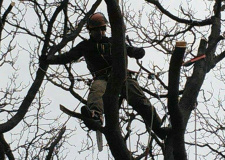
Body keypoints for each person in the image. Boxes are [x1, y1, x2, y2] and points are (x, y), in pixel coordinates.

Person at [45, 12, 168, 140]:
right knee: (97, 91)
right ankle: (96, 116)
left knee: (140, 101)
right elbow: (67, 57)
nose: (100, 33)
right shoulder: (86, 46)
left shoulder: (114, 41)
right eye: (97, 30)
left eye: (102, 29)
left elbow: (128, 49)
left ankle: (159, 128)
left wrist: (136, 52)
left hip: (123, 76)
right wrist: (49, 59)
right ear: (90, 31)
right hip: (102, 78)